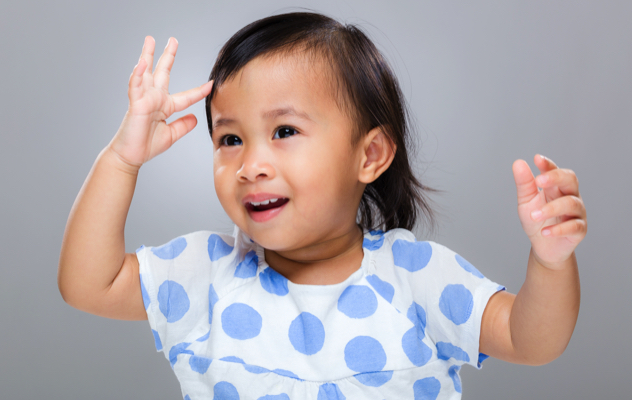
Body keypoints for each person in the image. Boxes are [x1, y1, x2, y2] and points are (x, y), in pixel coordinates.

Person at [57, 12, 586, 400]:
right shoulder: (207, 275)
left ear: (370, 155)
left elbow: (530, 338)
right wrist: (121, 161)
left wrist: (551, 260)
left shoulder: (416, 278)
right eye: (230, 140)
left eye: (284, 131)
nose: (250, 165)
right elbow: (87, 285)